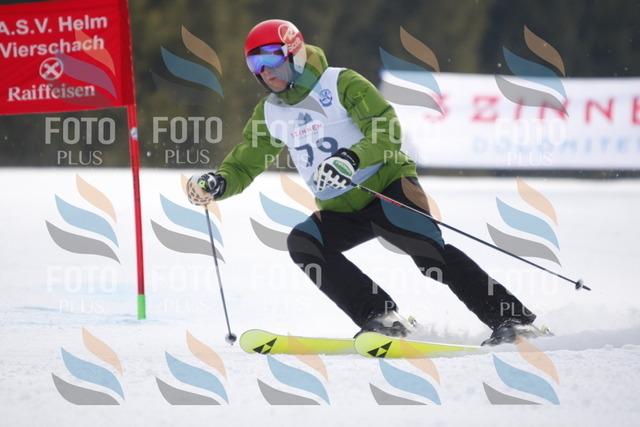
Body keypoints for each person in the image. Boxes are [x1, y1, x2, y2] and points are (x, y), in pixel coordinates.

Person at [187, 19, 545, 345]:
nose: (265, 71)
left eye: (271, 59)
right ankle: (381, 318)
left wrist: (351, 158)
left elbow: (386, 130)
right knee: (305, 242)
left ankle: (513, 320)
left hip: (387, 187)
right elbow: (246, 161)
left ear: (295, 54)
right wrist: (219, 182)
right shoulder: (270, 112)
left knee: (430, 256)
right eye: (255, 64)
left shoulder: (340, 83)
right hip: (341, 209)